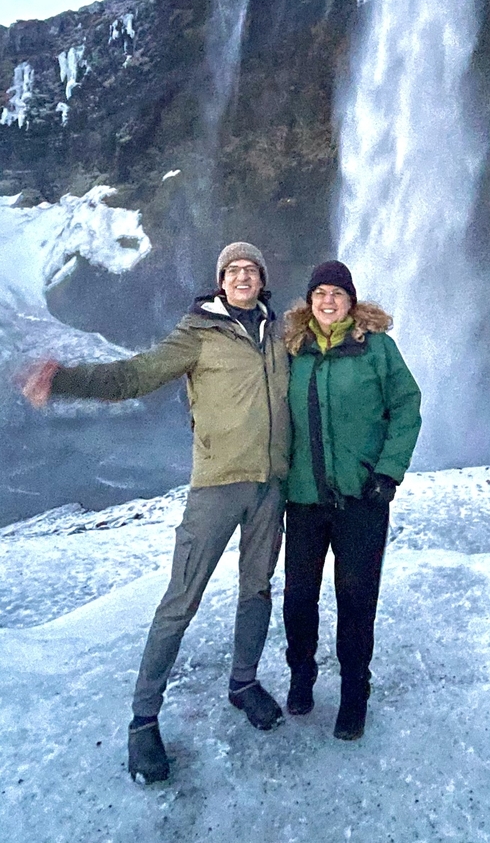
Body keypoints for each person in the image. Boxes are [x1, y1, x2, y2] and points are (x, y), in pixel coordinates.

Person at [22, 242, 290, 785]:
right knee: (179, 601)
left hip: (270, 487)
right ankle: (143, 722)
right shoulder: (197, 334)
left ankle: (244, 684)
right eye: (232, 269)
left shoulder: (282, 334)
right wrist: (65, 377)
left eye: (251, 268)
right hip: (216, 486)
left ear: (263, 280)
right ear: (221, 282)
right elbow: (134, 376)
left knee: (257, 588)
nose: (242, 275)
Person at [282, 260, 421, 741]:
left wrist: (388, 471)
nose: (328, 301)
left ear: (351, 300)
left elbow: (407, 406)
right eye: (319, 292)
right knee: (298, 597)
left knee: (356, 600)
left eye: (337, 293)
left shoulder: (377, 349)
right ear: (308, 301)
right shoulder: (292, 350)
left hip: (362, 498)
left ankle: (354, 693)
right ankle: (302, 674)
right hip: (302, 498)